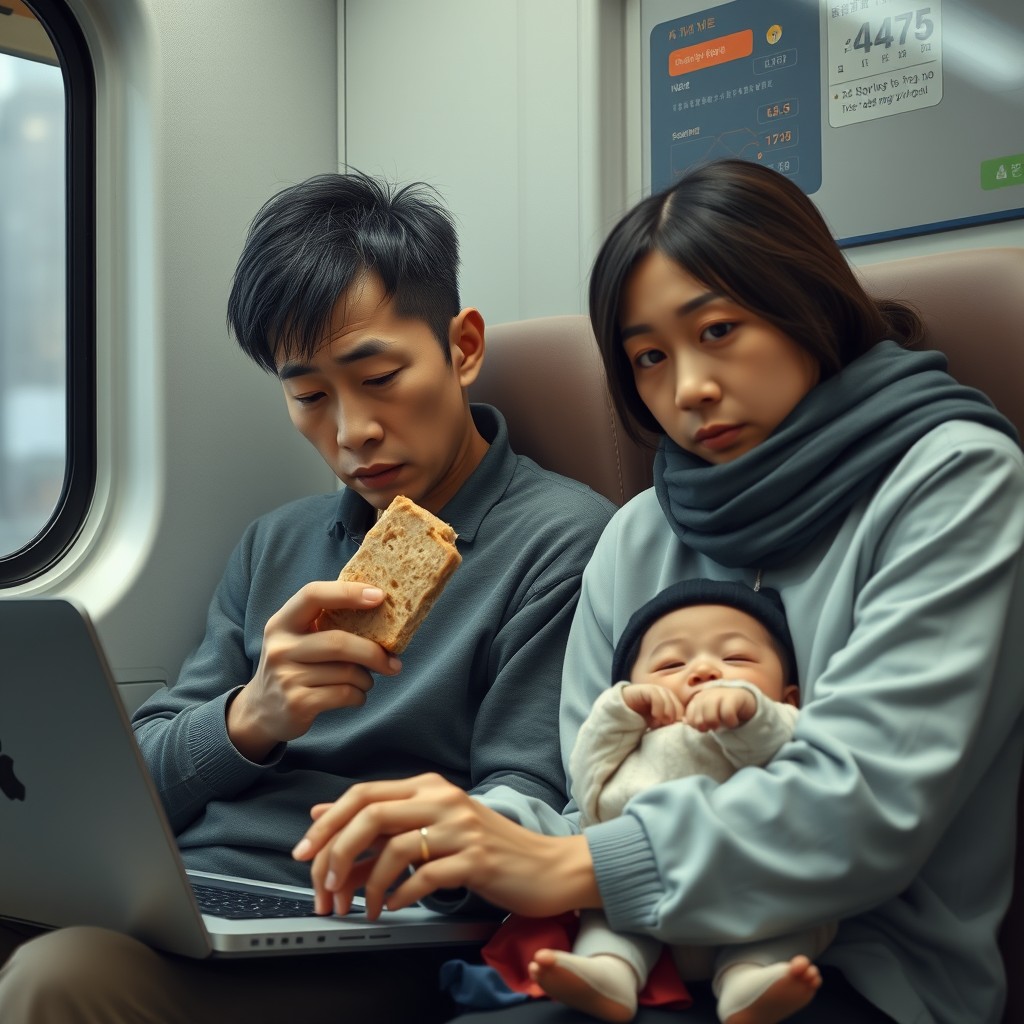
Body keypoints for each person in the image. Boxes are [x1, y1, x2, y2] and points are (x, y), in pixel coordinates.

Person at [290, 159, 1024, 1024]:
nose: (688, 390)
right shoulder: (642, 531)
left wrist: (571, 868)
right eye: (648, 357)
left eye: (717, 331)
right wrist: (459, 834)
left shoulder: (955, 480)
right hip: (651, 964)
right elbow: (588, 792)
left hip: (865, 971)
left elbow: (864, 801)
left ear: (811, 307)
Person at [0, 172, 615, 1023]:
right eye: (310, 396)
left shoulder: (563, 540)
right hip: (197, 889)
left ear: (463, 347)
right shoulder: (274, 544)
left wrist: (404, 838)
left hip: (372, 928)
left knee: (59, 977)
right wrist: (249, 718)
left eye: (380, 377)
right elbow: (139, 776)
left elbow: (527, 803)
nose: (352, 431)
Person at [520, 578, 833, 1024]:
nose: (704, 670)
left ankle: (750, 982)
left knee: (798, 919)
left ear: (790, 696)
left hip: (752, 896)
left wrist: (748, 711)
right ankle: (610, 974)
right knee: (603, 919)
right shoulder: (637, 741)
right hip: (639, 899)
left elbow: (797, 747)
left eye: (736, 658)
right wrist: (621, 712)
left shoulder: (776, 723)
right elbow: (588, 783)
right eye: (670, 664)